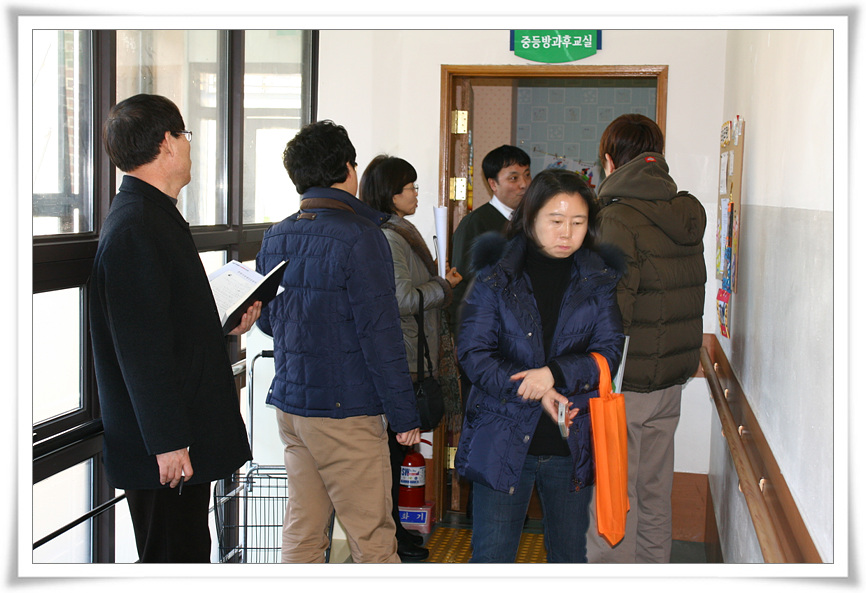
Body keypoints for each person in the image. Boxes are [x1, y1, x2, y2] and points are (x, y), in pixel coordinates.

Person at [89, 93, 258, 563]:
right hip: (164, 452)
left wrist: (224, 323)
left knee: (186, 553)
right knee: (172, 559)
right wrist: (167, 443)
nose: (188, 145)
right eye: (185, 135)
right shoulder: (136, 226)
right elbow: (141, 351)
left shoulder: (152, 214)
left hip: (176, 439)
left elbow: (164, 322)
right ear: (167, 142)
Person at [255, 121, 422, 564]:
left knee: (304, 532)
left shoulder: (276, 235)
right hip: (347, 412)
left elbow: (268, 322)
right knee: (373, 540)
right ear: (348, 168)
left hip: (293, 408)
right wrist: (404, 415)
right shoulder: (361, 236)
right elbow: (380, 334)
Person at [454, 168, 625, 563]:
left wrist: (555, 375)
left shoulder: (598, 279)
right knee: (493, 557)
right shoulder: (496, 274)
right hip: (502, 435)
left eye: (578, 222)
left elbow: (609, 352)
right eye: (556, 220)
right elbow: (474, 354)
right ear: (530, 218)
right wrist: (534, 389)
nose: (567, 233)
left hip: (571, 441)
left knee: (569, 557)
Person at [586, 113, 707, 564]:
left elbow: (613, 309)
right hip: (670, 380)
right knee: (654, 492)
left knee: (613, 499)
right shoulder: (683, 213)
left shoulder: (617, 217)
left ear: (609, 160)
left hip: (624, 384)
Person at [359, 154, 462, 562]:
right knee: (388, 457)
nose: (416, 193)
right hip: (402, 359)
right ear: (391, 193)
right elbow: (400, 300)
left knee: (396, 455)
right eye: (410, 187)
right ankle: (392, 540)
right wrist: (443, 286)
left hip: (413, 355)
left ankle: (397, 533)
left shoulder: (400, 231)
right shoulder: (389, 238)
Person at [448, 144, 531, 333]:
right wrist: (461, 336)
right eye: (514, 178)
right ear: (493, 184)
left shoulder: (533, 221)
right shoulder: (475, 224)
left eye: (527, 175)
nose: (524, 184)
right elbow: (461, 285)